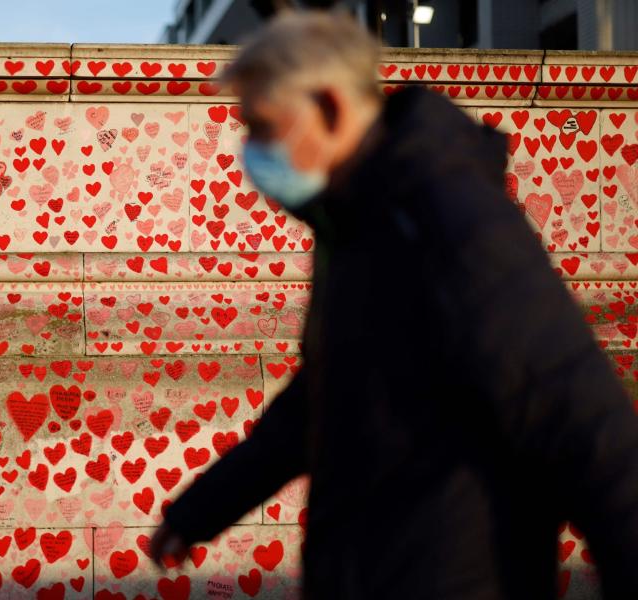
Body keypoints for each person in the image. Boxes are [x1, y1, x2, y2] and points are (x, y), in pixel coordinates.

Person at [149, 8, 638, 599]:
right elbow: (324, 397)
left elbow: (584, 422)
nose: (251, 152)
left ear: (329, 106)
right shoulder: (360, 224)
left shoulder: (447, 218)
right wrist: (200, 510)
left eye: (263, 125)